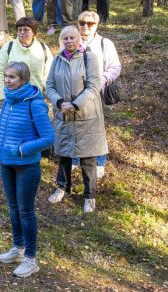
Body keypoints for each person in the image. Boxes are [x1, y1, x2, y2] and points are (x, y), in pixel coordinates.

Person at [0, 61, 54, 278]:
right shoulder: (8, 100)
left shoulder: (34, 103)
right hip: (6, 162)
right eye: (6, 76)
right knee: (13, 208)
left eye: (12, 77)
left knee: (26, 211)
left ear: (23, 80)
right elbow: (3, 128)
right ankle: (17, 249)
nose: (7, 80)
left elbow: (48, 137)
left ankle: (30, 259)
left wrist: (21, 149)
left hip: (26, 166)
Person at [46, 25, 107, 213]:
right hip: (63, 115)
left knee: (88, 157)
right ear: (61, 41)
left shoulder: (90, 58)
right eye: (65, 38)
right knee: (63, 154)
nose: (69, 41)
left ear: (79, 39)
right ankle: (62, 187)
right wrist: (60, 103)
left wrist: (74, 104)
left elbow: (93, 87)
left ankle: (90, 196)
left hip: (86, 116)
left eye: (72, 38)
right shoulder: (57, 59)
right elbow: (49, 86)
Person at [75, 10, 121, 178]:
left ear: (96, 26)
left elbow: (115, 67)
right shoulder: (71, 40)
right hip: (74, 92)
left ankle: (99, 162)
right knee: (74, 126)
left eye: (90, 24)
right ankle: (74, 160)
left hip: (96, 93)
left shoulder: (105, 43)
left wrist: (102, 79)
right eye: (82, 23)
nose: (85, 26)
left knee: (97, 129)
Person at [0, 17, 53, 108]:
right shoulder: (8, 47)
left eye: (26, 30)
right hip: (13, 97)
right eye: (19, 29)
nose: (21, 32)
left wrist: (47, 92)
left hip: (35, 97)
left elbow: (49, 74)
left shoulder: (43, 48)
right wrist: (0, 96)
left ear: (34, 32)